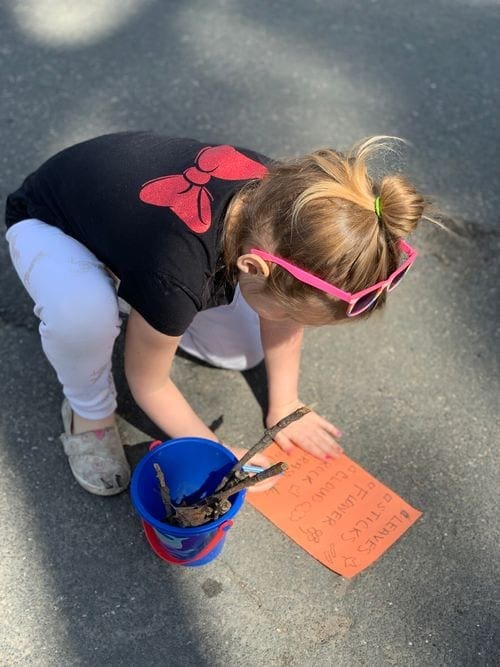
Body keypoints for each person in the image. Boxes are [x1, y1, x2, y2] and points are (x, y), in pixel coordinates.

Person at [4, 132, 426, 497]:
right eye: (294, 311)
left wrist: (285, 404)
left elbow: (282, 310)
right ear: (254, 267)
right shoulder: (176, 269)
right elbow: (148, 383)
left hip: (140, 237)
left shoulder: (296, 209)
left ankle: (132, 290)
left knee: (240, 353)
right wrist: (213, 452)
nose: (294, 322)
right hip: (49, 223)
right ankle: (88, 411)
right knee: (84, 317)